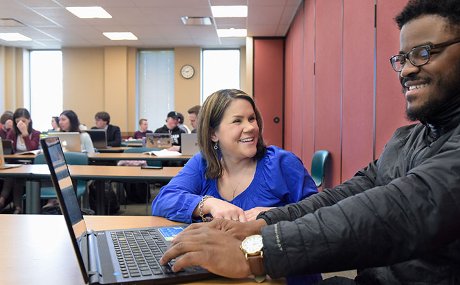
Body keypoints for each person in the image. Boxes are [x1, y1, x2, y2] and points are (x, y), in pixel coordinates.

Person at [159, 0, 460, 283]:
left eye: (424, 53)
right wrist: (259, 225)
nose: (407, 69)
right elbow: (346, 196)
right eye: (403, 58)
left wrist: (258, 250)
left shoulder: (280, 161)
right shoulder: (405, 140)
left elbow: (401, 209)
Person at [152, 89, 321, 283]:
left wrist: (273, 215)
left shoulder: (282, 163)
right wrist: (209, 203)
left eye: (252, 118)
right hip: (221, 275)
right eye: (237, 121)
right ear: (213, 133)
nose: (250, 127)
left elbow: (320, 217)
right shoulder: (203, 163)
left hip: (282, 275)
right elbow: (163, 200)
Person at [0, 108, 41, 214]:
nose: (20, 124)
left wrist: (25, 134)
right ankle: (4, 200)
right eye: (17, 121)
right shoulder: (13, 133)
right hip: (15, 163)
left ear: (29, 120)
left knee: (17, 176)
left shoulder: (36, 133)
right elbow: (7, 148)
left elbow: (32, 149)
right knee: (11, 174)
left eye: (23, 121)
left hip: (30, 164)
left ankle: (16, 206)